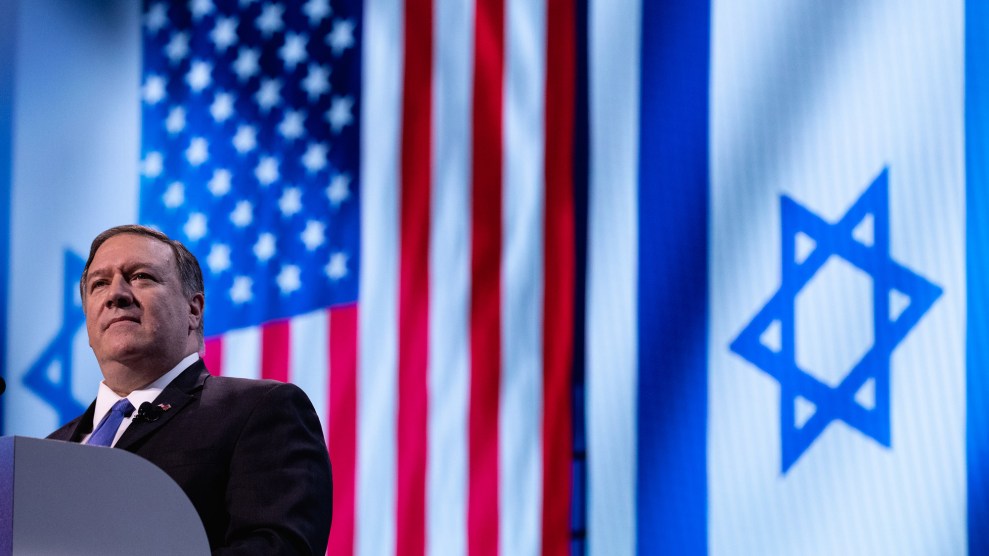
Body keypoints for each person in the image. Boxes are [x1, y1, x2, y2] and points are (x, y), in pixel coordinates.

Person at [48, 224, 332, 555]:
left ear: (193, 310)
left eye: (141, 277)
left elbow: (278, 548)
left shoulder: (261, 411)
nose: (116, 294)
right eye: (99, 284)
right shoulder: (49, 451)